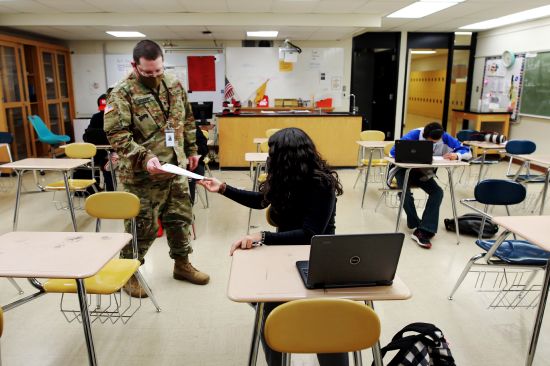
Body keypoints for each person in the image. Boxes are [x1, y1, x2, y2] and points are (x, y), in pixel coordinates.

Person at [198, 127, 347, 366]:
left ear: (288, 157)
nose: (268, 158)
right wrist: (223, 188)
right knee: (267, 309)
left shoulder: (321, 184)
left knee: (325, 321)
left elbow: (310, 235)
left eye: (272, 153)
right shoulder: (284, 177)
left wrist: (262, 236)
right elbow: (261, 200)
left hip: (316, 255)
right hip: (283, 253)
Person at [104, 39, 209, 298]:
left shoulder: (173, 84)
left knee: (180, 218)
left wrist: (192, 149)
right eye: (148, 72)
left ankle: (182, 265)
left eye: (158, 70)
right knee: (143, 227)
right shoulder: (122, 92)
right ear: (135, 65)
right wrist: (145, 157)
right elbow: (116, 134)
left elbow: (187, 118)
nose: (154, 76)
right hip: (142, 176)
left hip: (176, 169)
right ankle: (128, 273)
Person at [389, 122, 471, 249]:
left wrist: (457, 155)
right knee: (405, 192)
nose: (434, 145)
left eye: (436, 142)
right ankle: (417, 225)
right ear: (424, 136)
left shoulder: (444, 136)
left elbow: (466, 151)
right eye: (431, 142)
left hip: (423, 173)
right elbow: (393, 152)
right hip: (403, 171)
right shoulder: (414, 134)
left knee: (437, 192)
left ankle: (423, 229)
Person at [82, 91, 117, 192]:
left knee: (107, 164)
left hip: (113, 151)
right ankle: (92, 188)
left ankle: (111, 191)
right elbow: (87, 136)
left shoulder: (118, 117)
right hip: (98, 150)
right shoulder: (96, 117)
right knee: (85, 162)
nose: (105, 111)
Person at [188, 125, 209, 205]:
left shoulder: (192, 127)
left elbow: (204, 149)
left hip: (194, 165)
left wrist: (194, 153)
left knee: (189, 178)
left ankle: (190, 207)